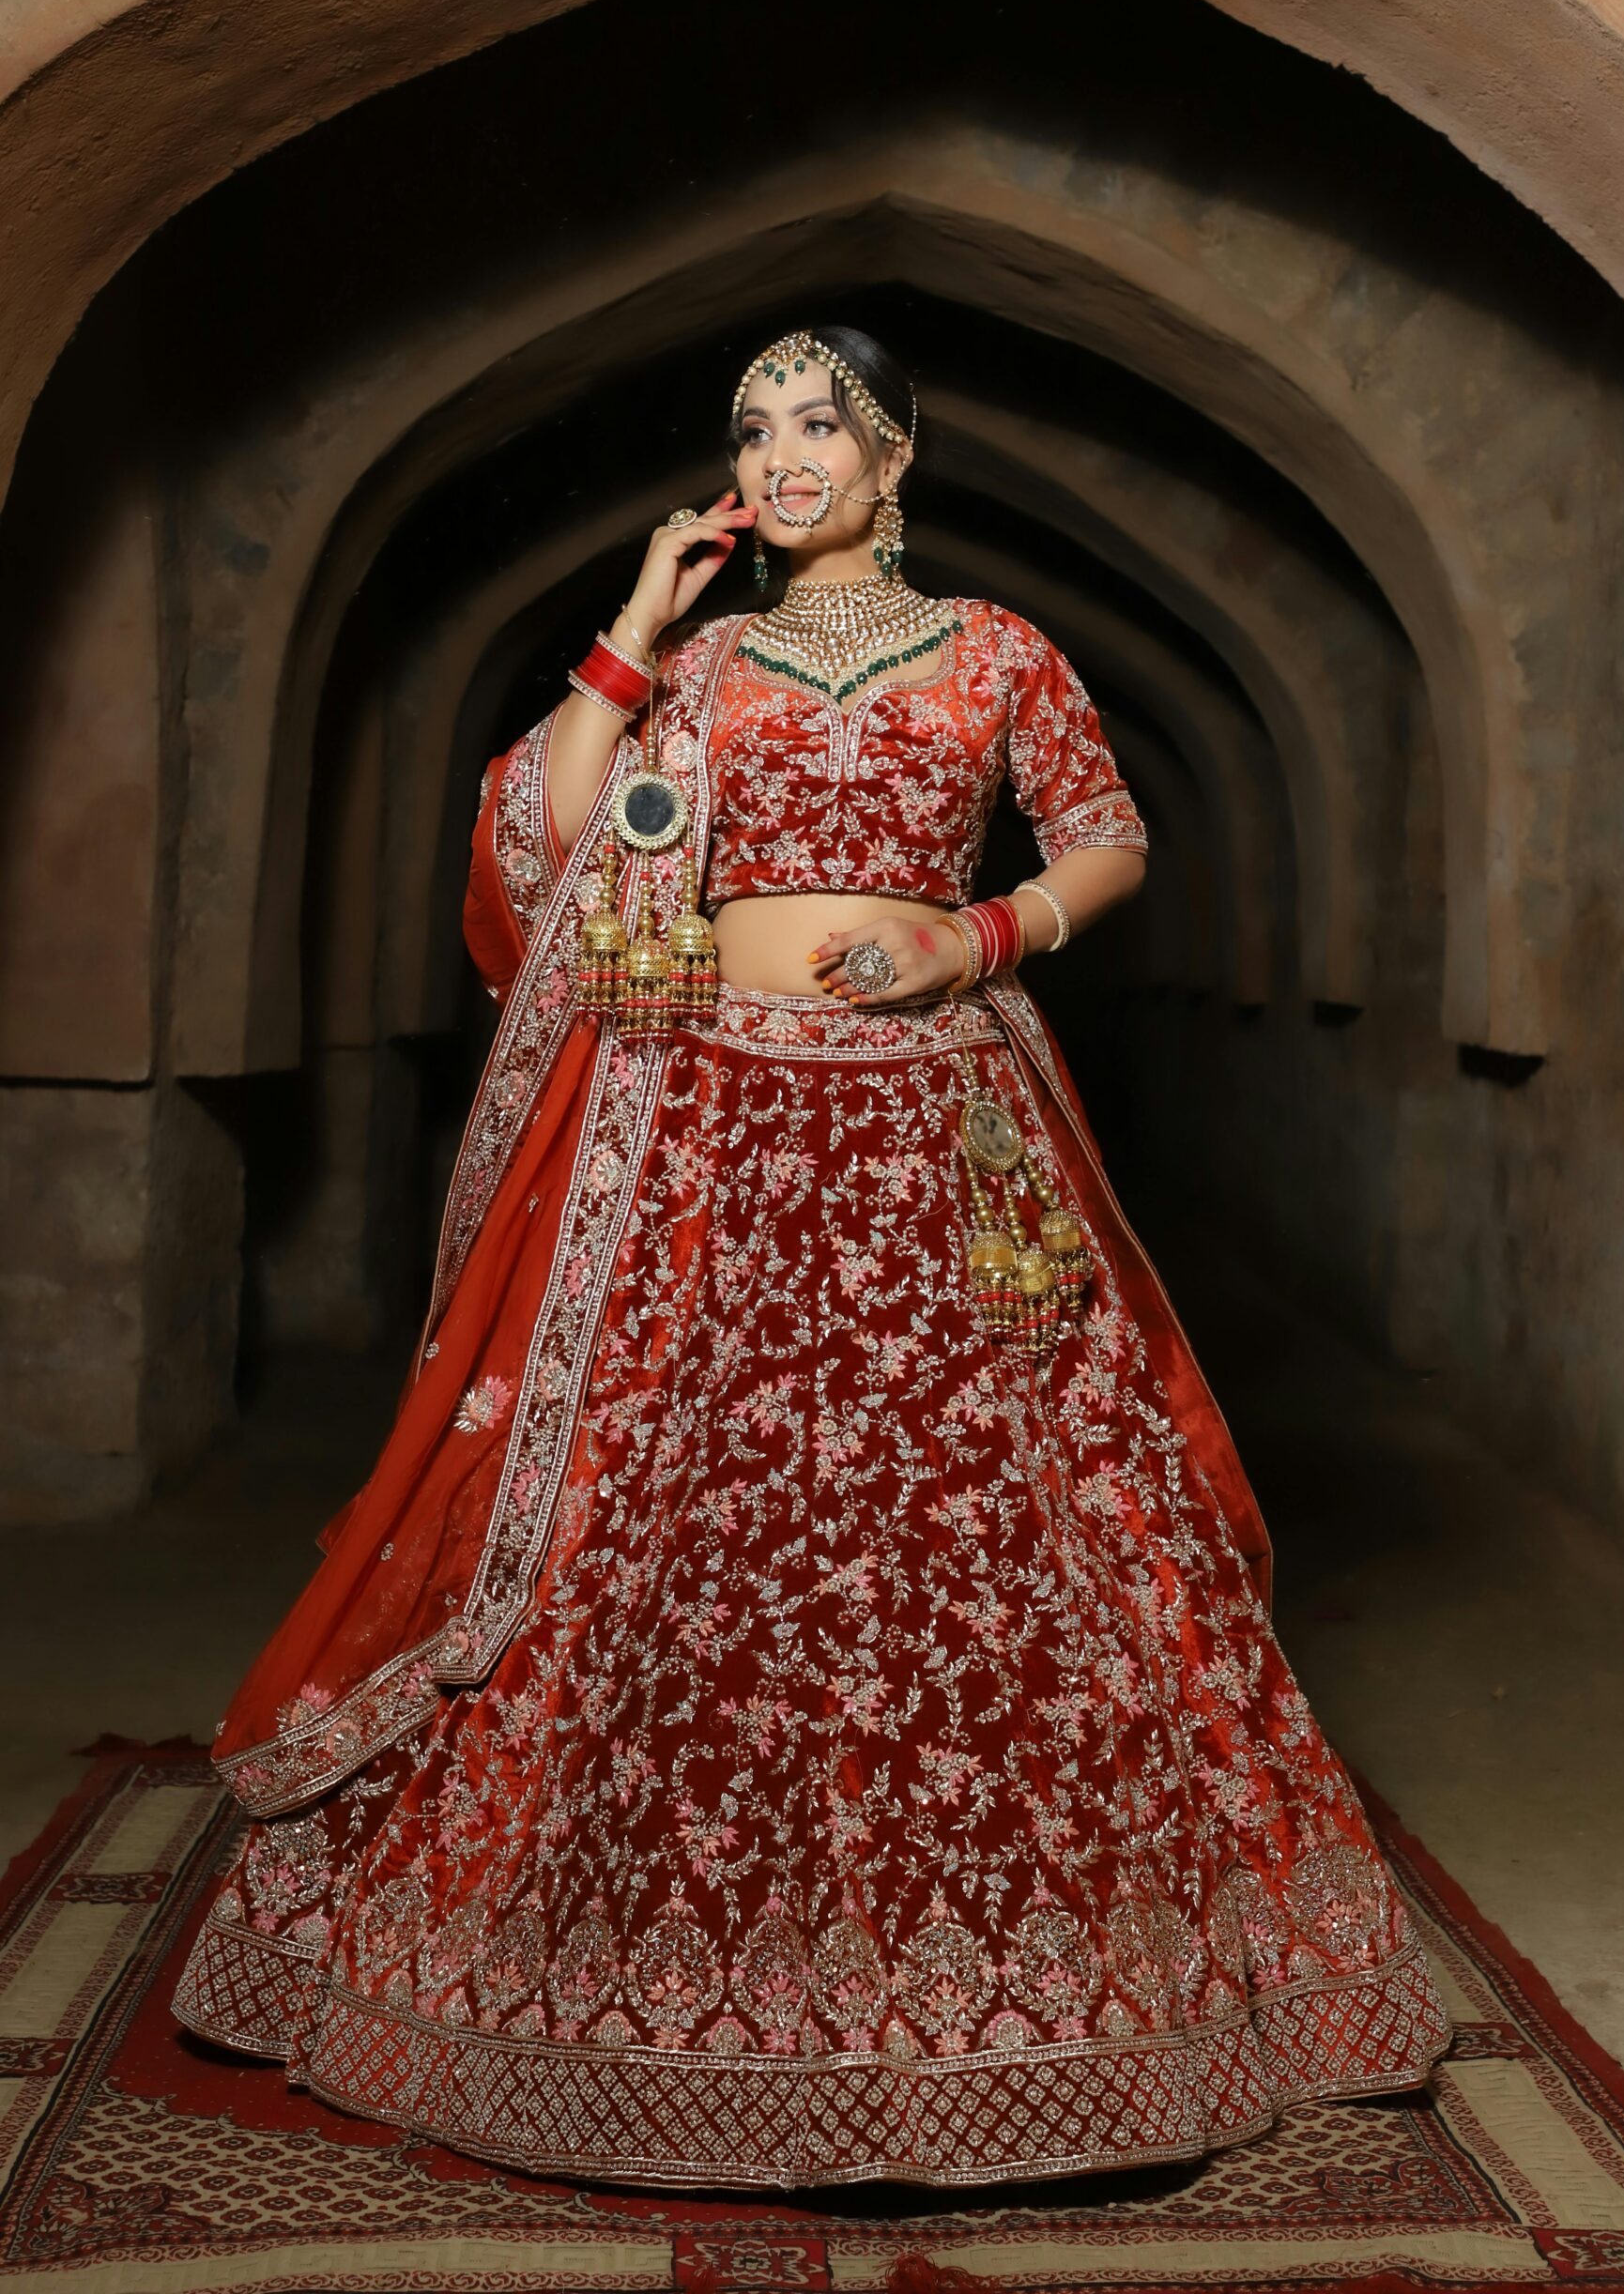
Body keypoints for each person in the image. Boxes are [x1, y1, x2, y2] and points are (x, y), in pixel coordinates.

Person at [173, 325, 1450, 2189]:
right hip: (705, 1114)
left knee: (1003, 1523)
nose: (779, 451)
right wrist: (632, 609)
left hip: (944, 1113)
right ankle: (618, 1978)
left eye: (817, 420)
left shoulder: (1001, 650)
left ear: (896, 455)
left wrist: (982, 935)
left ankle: (1064, 1990)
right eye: (751, 426)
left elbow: (1107, 837)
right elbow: (547, 842)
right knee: (674, 1519)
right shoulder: (692, 664)